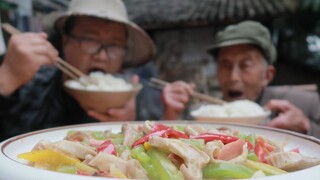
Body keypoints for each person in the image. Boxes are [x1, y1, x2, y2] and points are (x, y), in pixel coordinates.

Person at [0, 0, 162, 141]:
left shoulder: (136, 98)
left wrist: (129, 127)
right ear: (65, 41)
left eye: (114, 44)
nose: (102, 56)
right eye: (90, 39)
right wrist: (6, 78)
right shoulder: (29, 84)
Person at [162, 21, 320, 138]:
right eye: (225, 65)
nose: (233, 78)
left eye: (245, 65)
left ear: (267, 75)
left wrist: (306, 127)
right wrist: (170, 112)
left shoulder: (306, 103)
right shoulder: (205, 115)